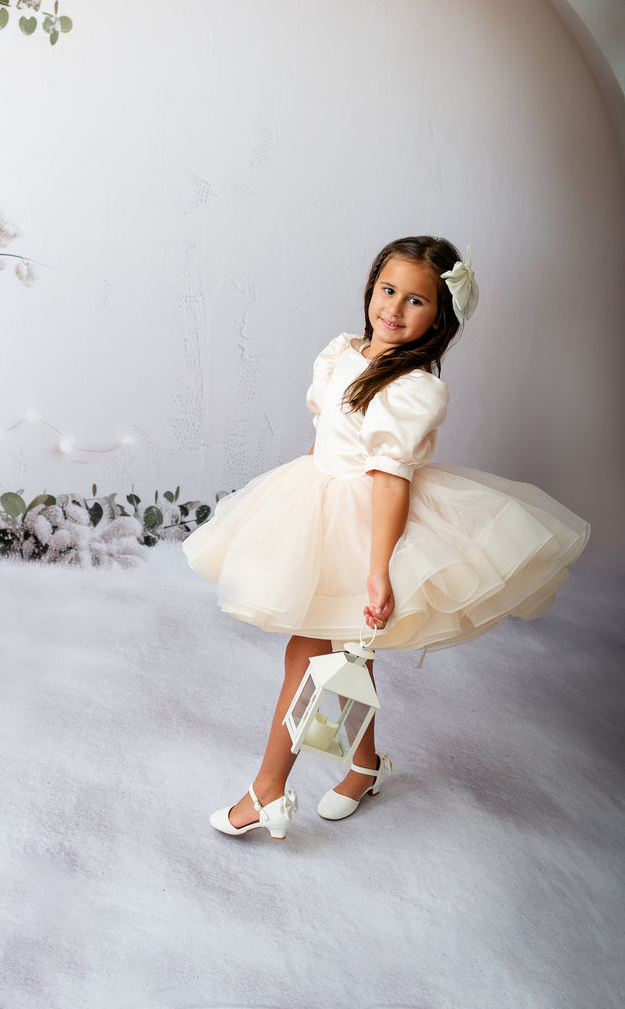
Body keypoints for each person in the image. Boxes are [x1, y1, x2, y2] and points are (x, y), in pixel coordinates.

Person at [182, 236, 590, 840]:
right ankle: (364, 765)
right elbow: (326, 435)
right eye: (387, 290)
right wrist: (303, 498)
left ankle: (267, 789)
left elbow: (390, 482)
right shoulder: (343, 353)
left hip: (369, 520)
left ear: (441, 317)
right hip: (318, 503)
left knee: (309, 651)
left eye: (417, 300)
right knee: (347, 654)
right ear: (371, 288)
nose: (395, 308)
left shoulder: (414, 387)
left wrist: (380, 570)